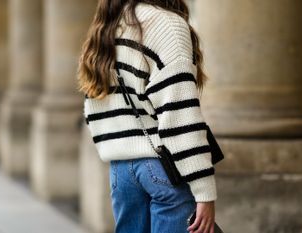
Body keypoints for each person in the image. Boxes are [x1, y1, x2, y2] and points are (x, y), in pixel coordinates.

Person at [77, 1, 217, 233]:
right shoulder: (166, 24)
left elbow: (92, 109)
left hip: (121, 172)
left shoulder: (106, 26)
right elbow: (180, 113)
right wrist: (205, 191)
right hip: (163, 168)